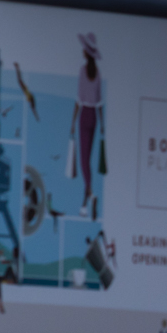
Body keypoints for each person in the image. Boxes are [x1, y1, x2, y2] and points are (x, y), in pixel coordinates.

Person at [71, 34, 103, 212]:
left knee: (84, 161)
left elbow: (78, 99)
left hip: (84, 115)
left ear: (86, 52)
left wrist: (72, 121)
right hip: (94, 118)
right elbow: (99, 102)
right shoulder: (97, 73)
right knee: (87, 160)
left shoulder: (83, 71)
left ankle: (90, 193)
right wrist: (103, 124)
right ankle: (84, 204)